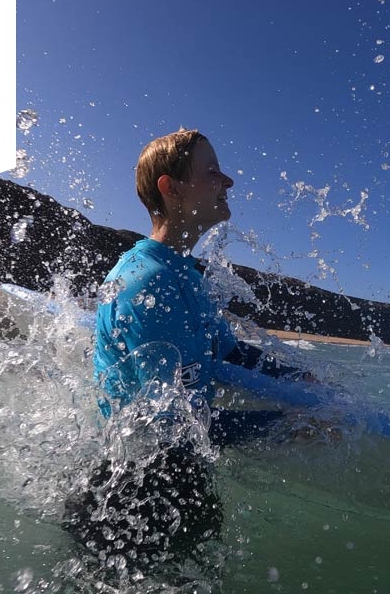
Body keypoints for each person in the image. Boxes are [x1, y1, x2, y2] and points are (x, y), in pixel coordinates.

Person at [63, 129, 312, 571]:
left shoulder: (185, 276)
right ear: (171, 187)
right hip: (131, 499)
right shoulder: (147, 282)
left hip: (176, 482)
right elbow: (170, 425)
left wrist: (305, 382)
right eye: (212, 171)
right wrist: (284, 425)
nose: (227, 182)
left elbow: (233, 353)